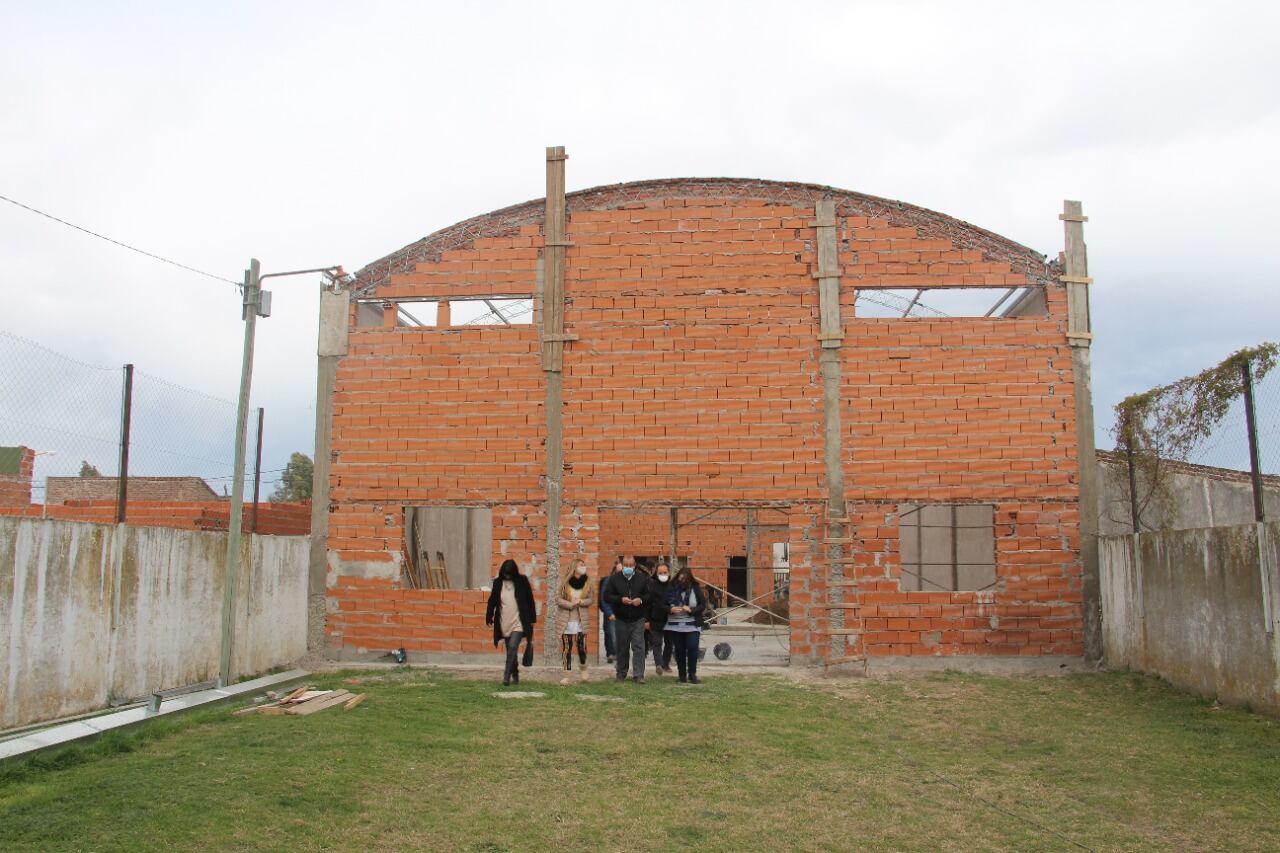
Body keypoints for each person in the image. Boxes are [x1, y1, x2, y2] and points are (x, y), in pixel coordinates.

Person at [485, 558, 536, 686]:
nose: (507, 576)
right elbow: (492, 601)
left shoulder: (522, 581)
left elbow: (530, 600)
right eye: (505, 574)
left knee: (513, 646)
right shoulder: (498, 583)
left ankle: (506, 677)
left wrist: (532, 619)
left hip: (519, 621)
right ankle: (515, 675)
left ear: (514, 573)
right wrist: (489, 615)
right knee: (510, 650)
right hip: (504, 621)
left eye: (509, 574)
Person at [602, 555, 650, 683]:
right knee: (622, 647)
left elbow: (649, 596)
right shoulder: (614, 579)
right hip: (621, 618)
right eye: (626, 565)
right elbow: (606, 596)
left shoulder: (642, 579)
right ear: (622, 565)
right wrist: (620, 599)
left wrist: (640, 600)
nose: (628, 568)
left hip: (638, 618)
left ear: (634, 566)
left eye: (630, 565)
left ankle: (639, 675)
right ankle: (621, 674)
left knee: (639, 647)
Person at [664, 566, 707, 684]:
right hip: (675, 624)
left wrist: (691, 610)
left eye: (685, 579)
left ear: (689, 579)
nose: (682, 581)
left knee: (693, 647)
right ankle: (681, 675)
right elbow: (663, 605)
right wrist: (670, 609)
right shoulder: (671, 589)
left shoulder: (695, 588)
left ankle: (692, 674)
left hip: (692, 624)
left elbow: (703, 605)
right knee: (679, 650)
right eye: (680, 579)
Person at [555, 559, 594, 684]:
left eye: (584, 564)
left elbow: (591, 599)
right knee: (567, 647)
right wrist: (570, 604)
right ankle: (567, 674)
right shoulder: (564, 582)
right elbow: (558, 599)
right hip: (567, 619)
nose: (584, 567)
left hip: (581, 619)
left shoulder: (587, 582)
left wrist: (581, 602)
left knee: (582, 646)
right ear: (574, 567)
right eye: (581, 565)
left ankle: (583, 669)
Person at [645, 561, 674, 675]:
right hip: (655, 619)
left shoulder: (673, 586)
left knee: (669, 643)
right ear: (656, 574)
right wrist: (646, 620)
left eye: (665, 572)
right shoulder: (651, 585)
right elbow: (647, 604)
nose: (663, 574)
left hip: (670, 619)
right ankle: (658, 664)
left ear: (669, 573)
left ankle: (665, 664)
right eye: (660, 572)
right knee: (657, 643)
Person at [599, 561, 622, 664]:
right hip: (610, 611)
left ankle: (618, 654)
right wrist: (609, 613)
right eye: (619, 571)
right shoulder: (608, 581)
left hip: (621, 613)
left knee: (619, 634)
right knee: (610, 633)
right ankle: (611, 653)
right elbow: (604, 598)